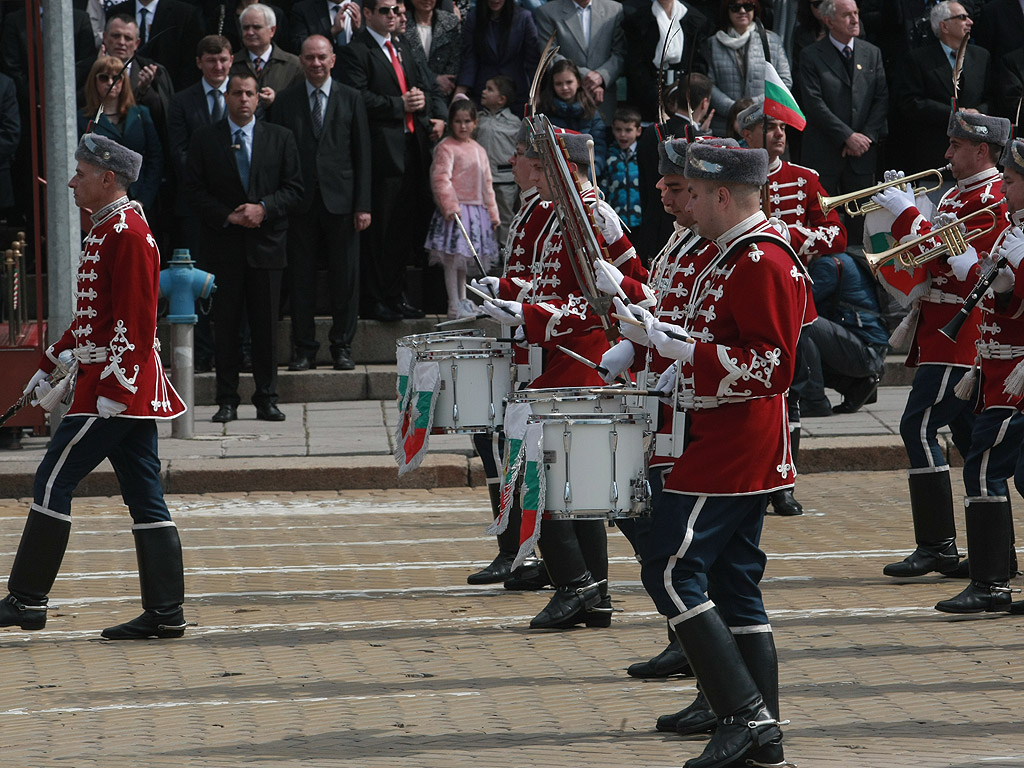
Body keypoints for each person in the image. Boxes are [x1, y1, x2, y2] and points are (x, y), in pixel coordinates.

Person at [630, 138, 810, 768]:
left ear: (724, 195)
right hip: (721, 434)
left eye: (698, 194)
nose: (690, 204)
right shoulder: (728, 253)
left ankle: (746, 716)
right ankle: (766, 741)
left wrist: (689, 355)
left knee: (672, 569)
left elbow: (772, 366)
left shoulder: (758, 258)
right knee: (734, 584)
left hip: (735, 442)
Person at [0, 134, 187, 640]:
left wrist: (117, 389)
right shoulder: (109, 228)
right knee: (146, 496)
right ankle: (166, 613)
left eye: (80, 173)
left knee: (53, 478)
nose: (70, 181)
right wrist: (52, 361)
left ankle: (27, 599)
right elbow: (95, 317)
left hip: (112, 392)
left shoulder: (126, 232)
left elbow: (137, 319)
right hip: (110, 385)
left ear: (108, 179)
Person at [481, 129, 650, 630]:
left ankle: (578, 584)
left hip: (587, 355)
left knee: (549, 473)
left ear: (564, 168)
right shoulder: (562, 213)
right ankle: (590, 594)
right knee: (572, 481)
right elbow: (554, 283)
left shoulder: (589, 214)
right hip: (564, 354)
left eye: (543, 165)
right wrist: (515, 297)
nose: (534, 172)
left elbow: (602, 301)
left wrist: (530, 315)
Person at [596, 135, 715, 684]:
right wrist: (629, 339)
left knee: (671, 537)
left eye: (672, 187)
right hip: (659, 400)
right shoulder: (679, 241)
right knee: (634, 512)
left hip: (691, 409)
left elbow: (701, 324)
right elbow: (662, 306)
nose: (661, 194)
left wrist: (627, 291)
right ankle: (683, 633)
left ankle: (692, 638)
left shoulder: (716, 245)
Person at [872, 109, 1010, 580]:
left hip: (964, 334)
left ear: (982, 151)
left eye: (956, 147)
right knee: (974, 447)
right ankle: (997, 553)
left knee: (918, 427)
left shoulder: (996, 196)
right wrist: (901, 215)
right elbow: (921, 259)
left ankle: (937, 545)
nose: (947, 154)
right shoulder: (954, 193)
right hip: (937, 329)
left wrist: (909, 213)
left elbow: (974, 268)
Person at [931, 136, 1024, 615]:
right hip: (997, 368)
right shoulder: (1015, 227)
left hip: (1017, 377)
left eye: (1010, 182)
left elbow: (1010, 296)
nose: (1003, 190)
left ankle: (990, 584)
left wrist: (994, 268)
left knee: (983, 468)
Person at [184, 68, 304, 424]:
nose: (244, 100)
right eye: (237, 93)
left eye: (250, 93)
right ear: (226, 97)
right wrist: (229, 216)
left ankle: (267, 397)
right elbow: (193, 191)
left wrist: (263, 208)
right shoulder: (206, 139)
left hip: (267, 248)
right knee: (227, 326)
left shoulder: (280, 137)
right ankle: (227, 399)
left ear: (258, 97)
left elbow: (295, 188)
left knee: (266, 329)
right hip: (223, 248)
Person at [338, 0, 447, 323]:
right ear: (368, 13)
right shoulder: (355, 51)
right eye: (384, 10)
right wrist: (398, 104)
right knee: (380, 231)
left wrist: (426, 106)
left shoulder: (401, 46)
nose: (393, 16)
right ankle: (375, 299)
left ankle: (396, 295)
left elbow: (423, 87)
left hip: (411, 149)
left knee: (402, 229)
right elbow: (357, 98)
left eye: (395, 10)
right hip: (380, 154)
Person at [270, 35, 372, 372]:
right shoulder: (285, 102)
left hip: (342, 204)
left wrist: (363, 205)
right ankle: (304, 349)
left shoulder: (351, 98)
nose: (316, 63)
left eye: (321, 57)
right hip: (299, 204)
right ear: (301, 60)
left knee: (345, 280)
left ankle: (342, 346)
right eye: (310, 58)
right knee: (301, 280)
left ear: (332, 60)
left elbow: (362, 155)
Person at [168, 34, 234, 375]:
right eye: (211, 61)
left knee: (234, 280)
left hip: (235, 207)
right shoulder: (182, 102)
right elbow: (179, 153)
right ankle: (205, 351)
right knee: (199, 280)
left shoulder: (242, 95)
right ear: (199, 63)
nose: (218, 66)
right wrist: (212, 185)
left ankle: (241, 348)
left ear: (231, 60)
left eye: (223, 60)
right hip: (196, 206)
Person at [798, 0, 887, 219]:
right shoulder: (811, 55)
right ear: (828, 21)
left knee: (861, 220)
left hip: (862, 153)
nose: (855, 19)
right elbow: (813, 103)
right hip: (825, 151)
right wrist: (847, 136)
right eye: (847, 15)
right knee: (824, 218)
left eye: (856, 13)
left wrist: (865, 136)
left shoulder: (872, 52)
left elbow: (881, 97)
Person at [890, 2, 991, 176]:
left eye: (969, 17)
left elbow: (992, 97)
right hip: (935, 156)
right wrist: (954, 114)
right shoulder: (918, 59)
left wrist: (978, 111)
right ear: (943, 26)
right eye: (962, 17)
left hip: (976, 157)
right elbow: (910, 103)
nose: (970, 22)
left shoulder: (982, 56)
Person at [425, 99, 500, 320]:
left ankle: (463, 298)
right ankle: (453, 304)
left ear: (475, 123)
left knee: (465, 260)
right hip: (457, 212)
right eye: (458, 121)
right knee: (452, 259)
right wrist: (450, 205)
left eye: (467, 121)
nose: (463, 126)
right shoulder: (446, 147)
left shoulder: (478, 150)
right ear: (450, 123)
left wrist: (493, 213)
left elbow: (487, 183)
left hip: (476, 212)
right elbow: (440, 178)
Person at [78, 55, 164, 212]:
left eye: (117, 78)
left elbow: (155, 158)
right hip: (99, 203)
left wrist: (143, 200)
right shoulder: (83, 120)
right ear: (94, 81)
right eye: (104, 78)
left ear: (124, 82)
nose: (111, 83)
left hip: (139, 201)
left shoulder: (141, 114)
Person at [85, 14, 175, 149]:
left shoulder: (155, 72)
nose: (121, 42)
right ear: (104, 37)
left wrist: (145, 90)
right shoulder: (84, 69)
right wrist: (95, 72)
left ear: (137, 43)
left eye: (128, 38)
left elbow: (163, 118)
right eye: (116, 36)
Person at [702, 0, 792, 136]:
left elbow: (785, 82)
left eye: (748, 7)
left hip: (763, 126)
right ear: (727, 10)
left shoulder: (771, 40)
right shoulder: (713, 43)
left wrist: (753, 107)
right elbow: (708, 84)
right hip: (725, 126)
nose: (742, 11)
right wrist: (734, 109)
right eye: (735, 7)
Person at [534, 0, 627, 126]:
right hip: (565, 105)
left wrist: (601, 76)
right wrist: (586, 76)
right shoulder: (547, 12)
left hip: (603, 98)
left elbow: (620, 53)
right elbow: (549, 55)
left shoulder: (614, 9)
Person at [621, 0, 712, 124]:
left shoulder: (696, 20)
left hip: (686, 103)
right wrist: (659, 105)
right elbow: (637, 68)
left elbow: (699, 66)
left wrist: (682, 100)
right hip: (647, 101)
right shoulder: (637, 21)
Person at [454, 0, 540, 117]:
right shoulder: (474, 17)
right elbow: (469, 57)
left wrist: (537, 94)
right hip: (483, 91)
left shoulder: (524, 18)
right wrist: (460, 92)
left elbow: (533, 60)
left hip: (517, 91)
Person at [104, 0, 206, 88]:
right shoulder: (116, 12)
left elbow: (190, 65)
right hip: (121, 91)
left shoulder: (185, 14)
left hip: (168, 96)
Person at [475, 75, 522, 250]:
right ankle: (485, 252)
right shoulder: (477, 120)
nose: (484, 92)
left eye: (489, 89)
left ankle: (505, 250)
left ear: (502, 99)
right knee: (482, 216)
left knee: (504, 216)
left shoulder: (515, 123)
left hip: (505, 179)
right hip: (480, 179)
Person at [538, 59, 608, 177]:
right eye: (559, 84)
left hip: (588, 177)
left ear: (579, 82)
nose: (564, 87)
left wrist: (588, 175)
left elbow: (599, 148)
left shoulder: (591, 111)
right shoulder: (545, 113)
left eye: (569, 82)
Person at [233, 3, 304, 111]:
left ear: (272, 30)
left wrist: (277, 100)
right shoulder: (231, 64)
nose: (250, 32)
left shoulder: (294, 65)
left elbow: (301, 106)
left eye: (257, 27)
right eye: (246, 28)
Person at [403, 0, 462, 99]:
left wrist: (446, 82)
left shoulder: (451, 22)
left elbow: (455, 59)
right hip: (412, 93)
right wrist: (433, 80)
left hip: (444, 93)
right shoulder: (402, 22)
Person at [601, 105, 643, 229]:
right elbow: (603, 188)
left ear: (638, 131)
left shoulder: (643, 155)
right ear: (613, 130)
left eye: (628, 130)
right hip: (616, 222)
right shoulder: (609, 156)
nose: (622, 135)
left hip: (640, 220)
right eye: (618, 130)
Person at [290, 0, 363, 62]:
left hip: (359, 70)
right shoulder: (304, 9)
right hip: (321, 73)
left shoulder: (367, 6)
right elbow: (299, 46)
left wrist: (358, 31)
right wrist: (332, 32)